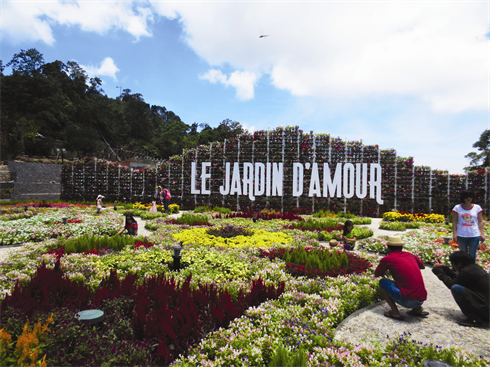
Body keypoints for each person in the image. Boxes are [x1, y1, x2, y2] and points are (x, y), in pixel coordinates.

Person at [374, 236, 428, 320]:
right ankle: (417, 308)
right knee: (408, 282)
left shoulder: (388, 259)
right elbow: (422, 266)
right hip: (421, 299)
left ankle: (395, 313)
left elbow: (377, 274)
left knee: (383, 282)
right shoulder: (410, 255)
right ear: (401, 246)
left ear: (388, 247)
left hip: (408, 300)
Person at [433, 251, 490, 327]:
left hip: (486, 307)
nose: (453, 266)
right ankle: (482, 316)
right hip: (486, 305)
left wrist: (439, 271)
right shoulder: (474, 268)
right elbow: (459, 279)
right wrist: (445, 268)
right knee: (458, 286)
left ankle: (474, 318)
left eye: (453, 264)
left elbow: (451, 284)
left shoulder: (467, 271)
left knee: (456, 288)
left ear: (459, 264)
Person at [452, 190, 487, 260]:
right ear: (463, 198)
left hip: (474, 235)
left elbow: (480, 221)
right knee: (463, 255)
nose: (469, 199)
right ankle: (463, 270)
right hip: (461, 235)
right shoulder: (457, 207)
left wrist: (482, 233)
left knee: (472, 255)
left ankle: (472, 270)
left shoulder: (477, 207)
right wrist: (454, 233)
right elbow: (454, 221)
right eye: (467, 197)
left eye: (470, 197)